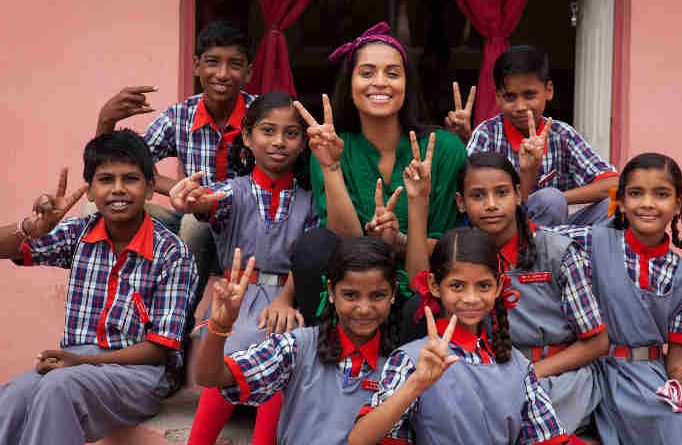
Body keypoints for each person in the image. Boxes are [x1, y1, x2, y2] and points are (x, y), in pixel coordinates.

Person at [0, 130, 196, 444]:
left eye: (130, 179)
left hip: (139, 375)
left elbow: (156, 350)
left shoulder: (171, 253)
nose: (118, 190)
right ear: (90, 191)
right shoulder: (79, 234)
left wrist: (80, 362)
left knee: (58, 388)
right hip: (75, 363)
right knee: (15, 393)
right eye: (106, 180)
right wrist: (30, 228)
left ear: (149, 189)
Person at [347, 141, 567, 444]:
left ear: (500, 288)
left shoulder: (516, 365)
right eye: (457, 286)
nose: (472, 299)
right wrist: (416, 384)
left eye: (484, 286)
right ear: (436, 287)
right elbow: (360, 439)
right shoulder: (411, 360)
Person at [168, 92, 318, 444]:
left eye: (291, 133)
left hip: (287, 297)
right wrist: (195, 203)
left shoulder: (311, 200)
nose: (279, 142)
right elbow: (208, 204)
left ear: (304, 143)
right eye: (268, 131)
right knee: (229, 346)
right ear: (247, 137)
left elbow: (310, 252)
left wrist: (286, 297)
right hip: (237, 297)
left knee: (285, 351)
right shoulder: (233, 192)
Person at [291, 21, 466, 322]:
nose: (380, 82)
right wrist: (331, 166)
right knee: (314, 244)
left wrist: (398, 238)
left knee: (420, 305)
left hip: (423, 295)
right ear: (350, 83)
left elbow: (446, 254)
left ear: (407, 84)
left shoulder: (445, 149)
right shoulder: (329, 145)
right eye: (367, 72)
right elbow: (340, 242)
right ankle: (326, 355)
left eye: (393, 73)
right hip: (353, 298)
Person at [555, 152, 682, 444]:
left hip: (642, 381)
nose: (647, 204)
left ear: (678, 204)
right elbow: (534, 238)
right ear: (620, 201)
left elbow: (677, 361)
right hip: (584, 371)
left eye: (661, 194)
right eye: (636, 193)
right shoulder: (590, 241)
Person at [96, 20, 255, 307]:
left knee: (195, 225)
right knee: (99, 208)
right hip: (192, 215)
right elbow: (120, 166)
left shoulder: (260, 116)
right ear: (196, 66)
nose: (222, 73)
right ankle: (119, 309)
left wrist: (202, 197)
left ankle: (178, 325)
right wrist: (106, 121)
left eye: (234, 64)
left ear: (248, 72)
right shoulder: (180, 115)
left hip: (245, 226)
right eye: (212, 62)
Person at [455, 152, 608, 438]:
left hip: (561, 381)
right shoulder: (463, 258)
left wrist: (530, 373)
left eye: (501, 193)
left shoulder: (557, 252)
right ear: (461, 203)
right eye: (477, 196)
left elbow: (596, 342)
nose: (490, 205)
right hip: (493, 377)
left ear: (517, 195)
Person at [193, 237, 405, 445]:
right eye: (350, 295)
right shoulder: (297, 347)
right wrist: (219, 327)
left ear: (393, 293)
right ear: (331, 292)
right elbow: (209, 377)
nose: (364, 308)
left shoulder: (400, 367)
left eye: (378, 296)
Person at [466, 45, 618, 227]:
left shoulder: (561, 134)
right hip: (506, 228)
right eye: (510, 97)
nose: (520, 106)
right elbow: (469, 192)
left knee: (616, 205)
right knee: (550, 200)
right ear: (498, 97)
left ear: (549, 90)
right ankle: (545, 253)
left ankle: (567, 249)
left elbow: (613, 183)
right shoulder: (487, 134)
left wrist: (560, 198)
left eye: (529, 95)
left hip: (555, 224)